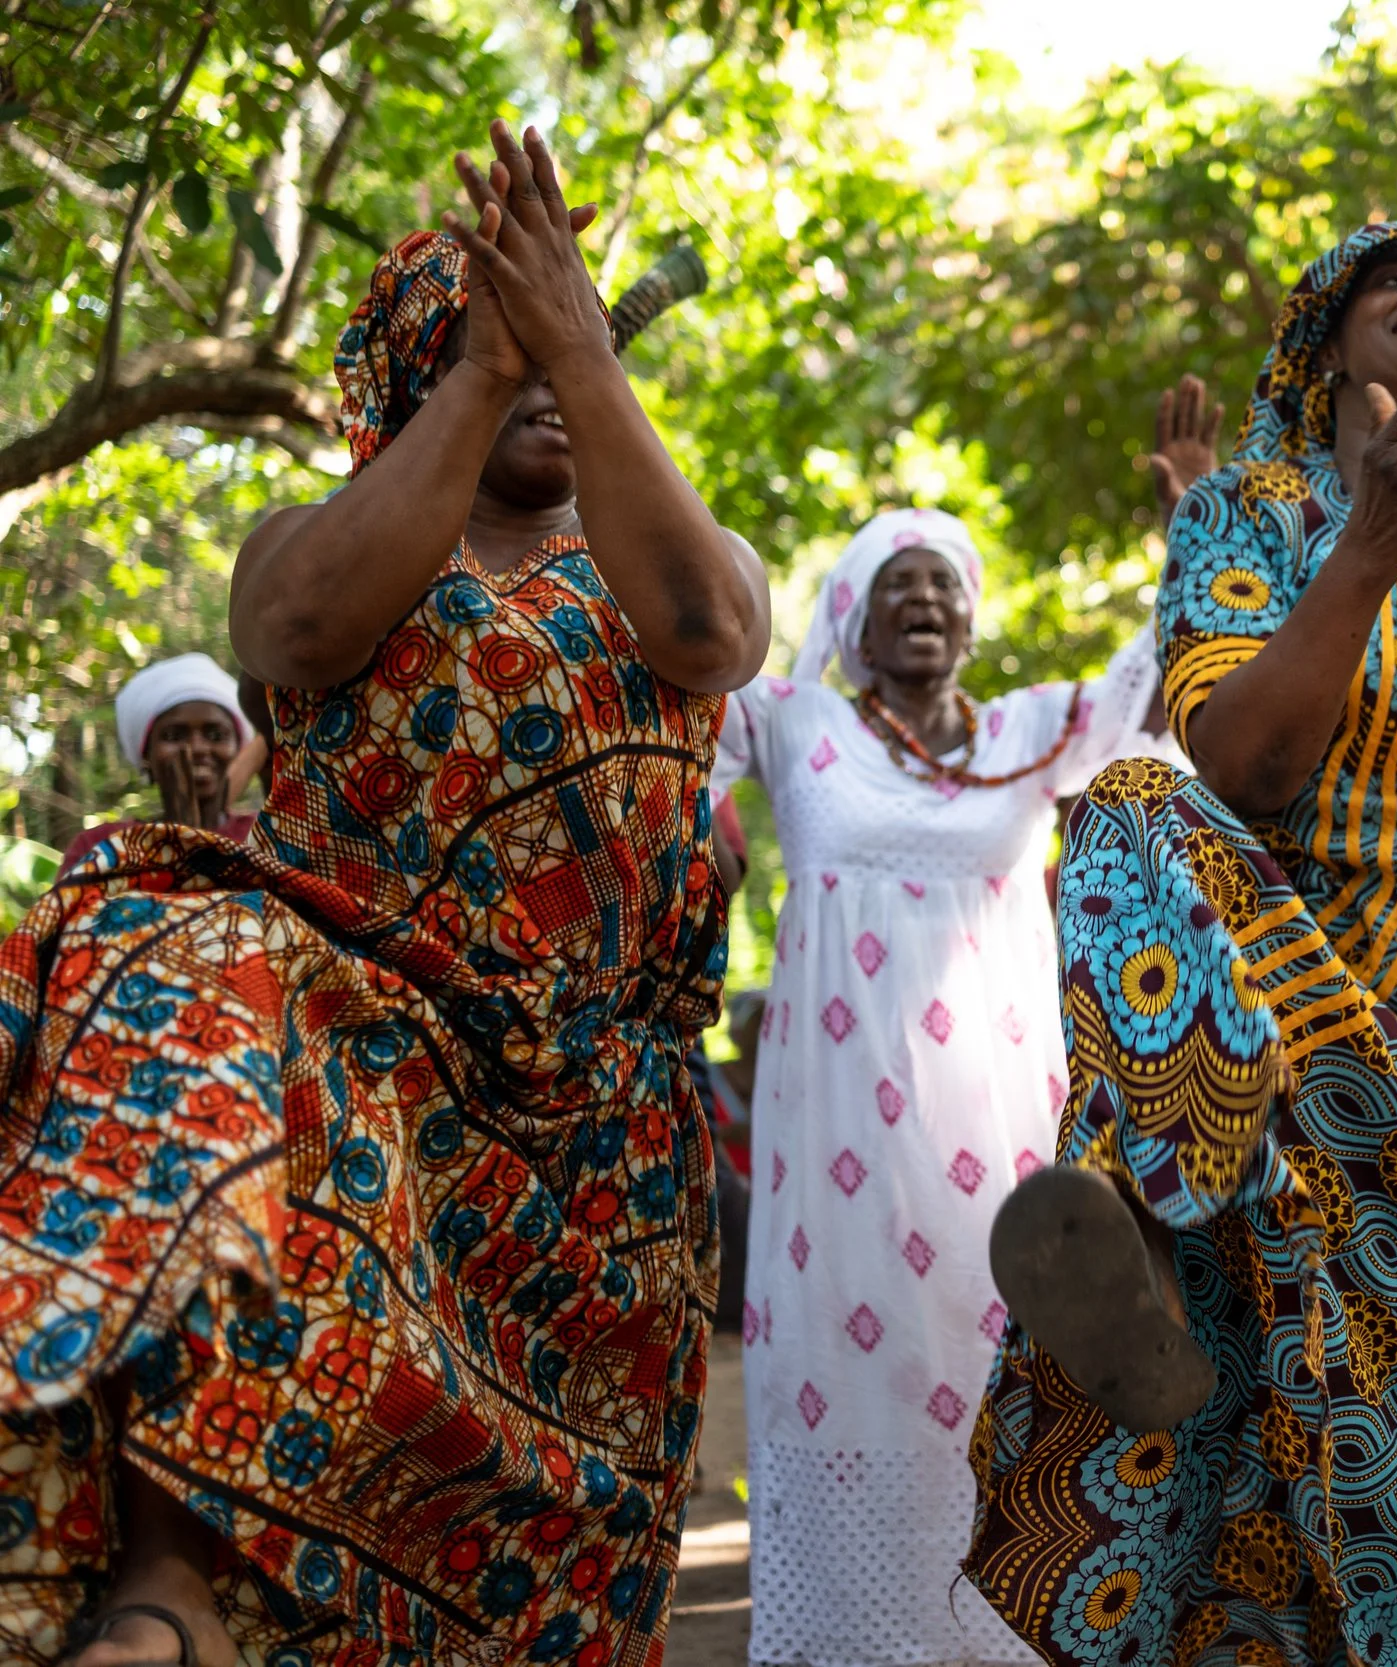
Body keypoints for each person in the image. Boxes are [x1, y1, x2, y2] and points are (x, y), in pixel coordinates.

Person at [0, 120, 769, 1667]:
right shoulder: (310, 542)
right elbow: (289, 631)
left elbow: (710, 633)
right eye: (495, 347)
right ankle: (169, 1593)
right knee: (193, 1003)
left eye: (575, 342)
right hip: (381, 1060)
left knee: (550, 1574)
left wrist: (570, 343)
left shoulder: (675, 552)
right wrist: (487, 364)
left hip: (601, 1152)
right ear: (414, 375)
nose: (551, 372)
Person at [967, 222, 1397, 1667]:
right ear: (1323, 347)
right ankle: (1166, 1191)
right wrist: (1370, 545)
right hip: (1256, 1048)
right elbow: (1247, 765)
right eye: (1386, 286)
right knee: (1134, 802)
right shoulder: (1246, 512)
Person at [712, 502, 1176, 1667]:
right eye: (895, 585)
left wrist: (1190, 536)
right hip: (836, 1140)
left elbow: (1160, 690)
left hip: (1001, 1118)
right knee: (849, 1355)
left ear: (973, 615)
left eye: (943, 584)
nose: (923, 601)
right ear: (852, 619)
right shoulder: (793, 718)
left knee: (999, 1345)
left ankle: (1016, 1628)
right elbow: (682, 675)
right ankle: (856, 1635)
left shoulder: (1030, 730)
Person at [56, 654, 264, 872]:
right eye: (174, 736)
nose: (197, 749)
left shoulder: (268, 836)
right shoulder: (101, 847)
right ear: (146, 755)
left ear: (237, 748)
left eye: (215, 735)